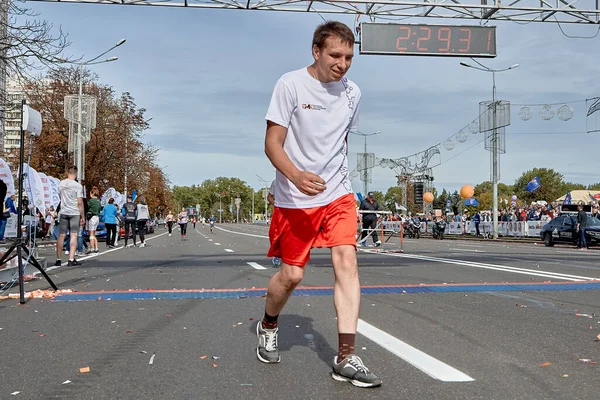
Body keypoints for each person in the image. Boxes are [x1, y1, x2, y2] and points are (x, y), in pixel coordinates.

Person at [255, 21, 381, 388]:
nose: (342, 64)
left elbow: (338, 141)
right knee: (292, 275)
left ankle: (346, 356)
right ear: (316, 51)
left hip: (338, 192)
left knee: (347, 258)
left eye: (348, 57)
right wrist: (295, 175)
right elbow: (272, 143)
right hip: (296, 197)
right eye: (335, 56)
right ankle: (268, 324)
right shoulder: (290, 84)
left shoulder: (353, 93)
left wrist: (334, 184)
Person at [55, 166, 85, 266]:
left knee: (61, 235)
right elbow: (80, 202)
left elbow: (60, 197)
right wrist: (82, 216)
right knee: (73, 235)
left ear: (67, 172)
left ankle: (58, 259)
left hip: (64, 211)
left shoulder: (61, 184)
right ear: (76, 174)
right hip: (74, 213)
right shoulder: (77, 186)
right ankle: (71, 259)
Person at [267, 180, 281, 267]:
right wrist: (276, 204)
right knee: (274, 233)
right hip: (280, 210)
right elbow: (269, 197)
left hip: (295, 210)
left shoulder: (297, 179)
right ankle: (277, 255)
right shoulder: (276, 182)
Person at [86, 186, 101, 254]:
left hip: (92, 217)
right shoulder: (98, 200)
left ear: (92, 193)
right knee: (94, 233)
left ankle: (92, 248)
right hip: (97, 217)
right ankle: (96, 247)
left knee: (91, 234)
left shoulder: (91, 201)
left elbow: (87, 207)